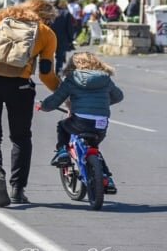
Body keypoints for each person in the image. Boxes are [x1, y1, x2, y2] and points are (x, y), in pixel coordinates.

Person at [0, 0, 61, 207]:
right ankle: (18, 189)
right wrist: (64, 95)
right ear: (45, 17)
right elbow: (46, 74)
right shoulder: (46, 33)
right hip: (20, 86)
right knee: (21, 137)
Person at [39, 52, 123, 193]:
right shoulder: (105, 78)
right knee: (94, 148)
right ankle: (107, 179)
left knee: (63, 126)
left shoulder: (72, 79)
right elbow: (118, 96)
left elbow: (56, 99)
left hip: (80, 121)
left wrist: (44, 106)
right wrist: (103, 104)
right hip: (100, 123)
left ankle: (62, 152)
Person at [47, 0, 74, 74]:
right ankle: (58, 72)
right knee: (60, 57)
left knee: (47, 56)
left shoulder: (45, 13)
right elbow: (70, 28)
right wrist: (70, 39)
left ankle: (47, 72)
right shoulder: (66, 12)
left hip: (48, 38)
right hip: (62, 38)